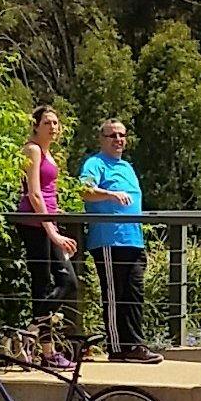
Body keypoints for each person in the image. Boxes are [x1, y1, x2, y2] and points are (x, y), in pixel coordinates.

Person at [78, 120, 159, 363]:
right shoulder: (95, 164)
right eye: (112, 135)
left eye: (122, 135)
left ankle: (135, 345)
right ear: (101, 138)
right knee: (115, 295)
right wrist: (111, 195)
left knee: (134, 294)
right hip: (109, 239)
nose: (118, 139)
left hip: (133, 239)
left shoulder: (127, 167)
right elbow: (84, 190)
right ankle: (118, 348)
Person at [17, 106, 78, 323]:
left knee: (66, 282)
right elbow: (34, 193)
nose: (53, 127)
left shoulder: (49, 153)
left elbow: (49, 191)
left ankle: (37, 328)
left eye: (55, 122)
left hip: (47, 220)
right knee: (44, 282)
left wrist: (55, 213)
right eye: (47, 123)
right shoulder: (32, 150)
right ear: (35, 126)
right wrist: (53, 233)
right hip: (35, 224)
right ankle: (43, 343)